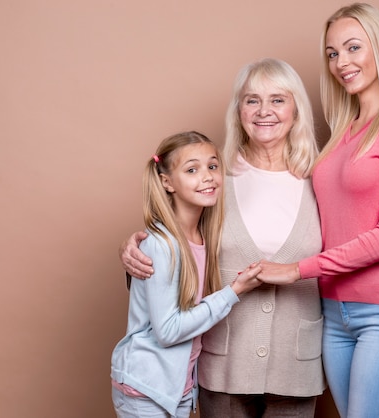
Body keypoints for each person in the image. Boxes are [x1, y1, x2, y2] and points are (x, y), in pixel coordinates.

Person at [119, 59, 326, 417]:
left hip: (297, 363)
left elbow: (359, 240)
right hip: (223, 363)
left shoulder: (322, 179)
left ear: (296, 110)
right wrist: (134, 249)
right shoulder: (216, 179)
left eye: (278, 99)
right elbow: (177, 240)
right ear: (238, 111)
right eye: (252, 100)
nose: (264, 111)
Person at [257, 3, 379, 418]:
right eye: (333, 53)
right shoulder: (342, 132)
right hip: (332, 312)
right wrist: (159, 235)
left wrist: (296, 269)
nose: (341, 63)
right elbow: (316, 212)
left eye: (353, 48)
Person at [110, 131, 262, 418]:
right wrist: (233, 292)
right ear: (167, 182)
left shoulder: (205, 235)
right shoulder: (161, 244)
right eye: (192, 169)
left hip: (178, 387)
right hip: (147, 389)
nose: (206, 176)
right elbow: (168, 332)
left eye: (212, 166)